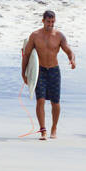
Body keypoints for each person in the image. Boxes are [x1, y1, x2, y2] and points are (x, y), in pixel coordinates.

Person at [22, 9, 75, 140]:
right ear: (43, 21)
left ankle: (54, 128)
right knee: (40, 100)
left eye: (52, 22)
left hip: (54, 71)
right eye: (48, 21)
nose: (50, 24)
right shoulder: (35, 36)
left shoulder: (59, 36)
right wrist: (24, 73)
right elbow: (27, 54)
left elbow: (69, 50)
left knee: (55, 102)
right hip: (39, 71)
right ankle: (43, 130)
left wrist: (72, 59)